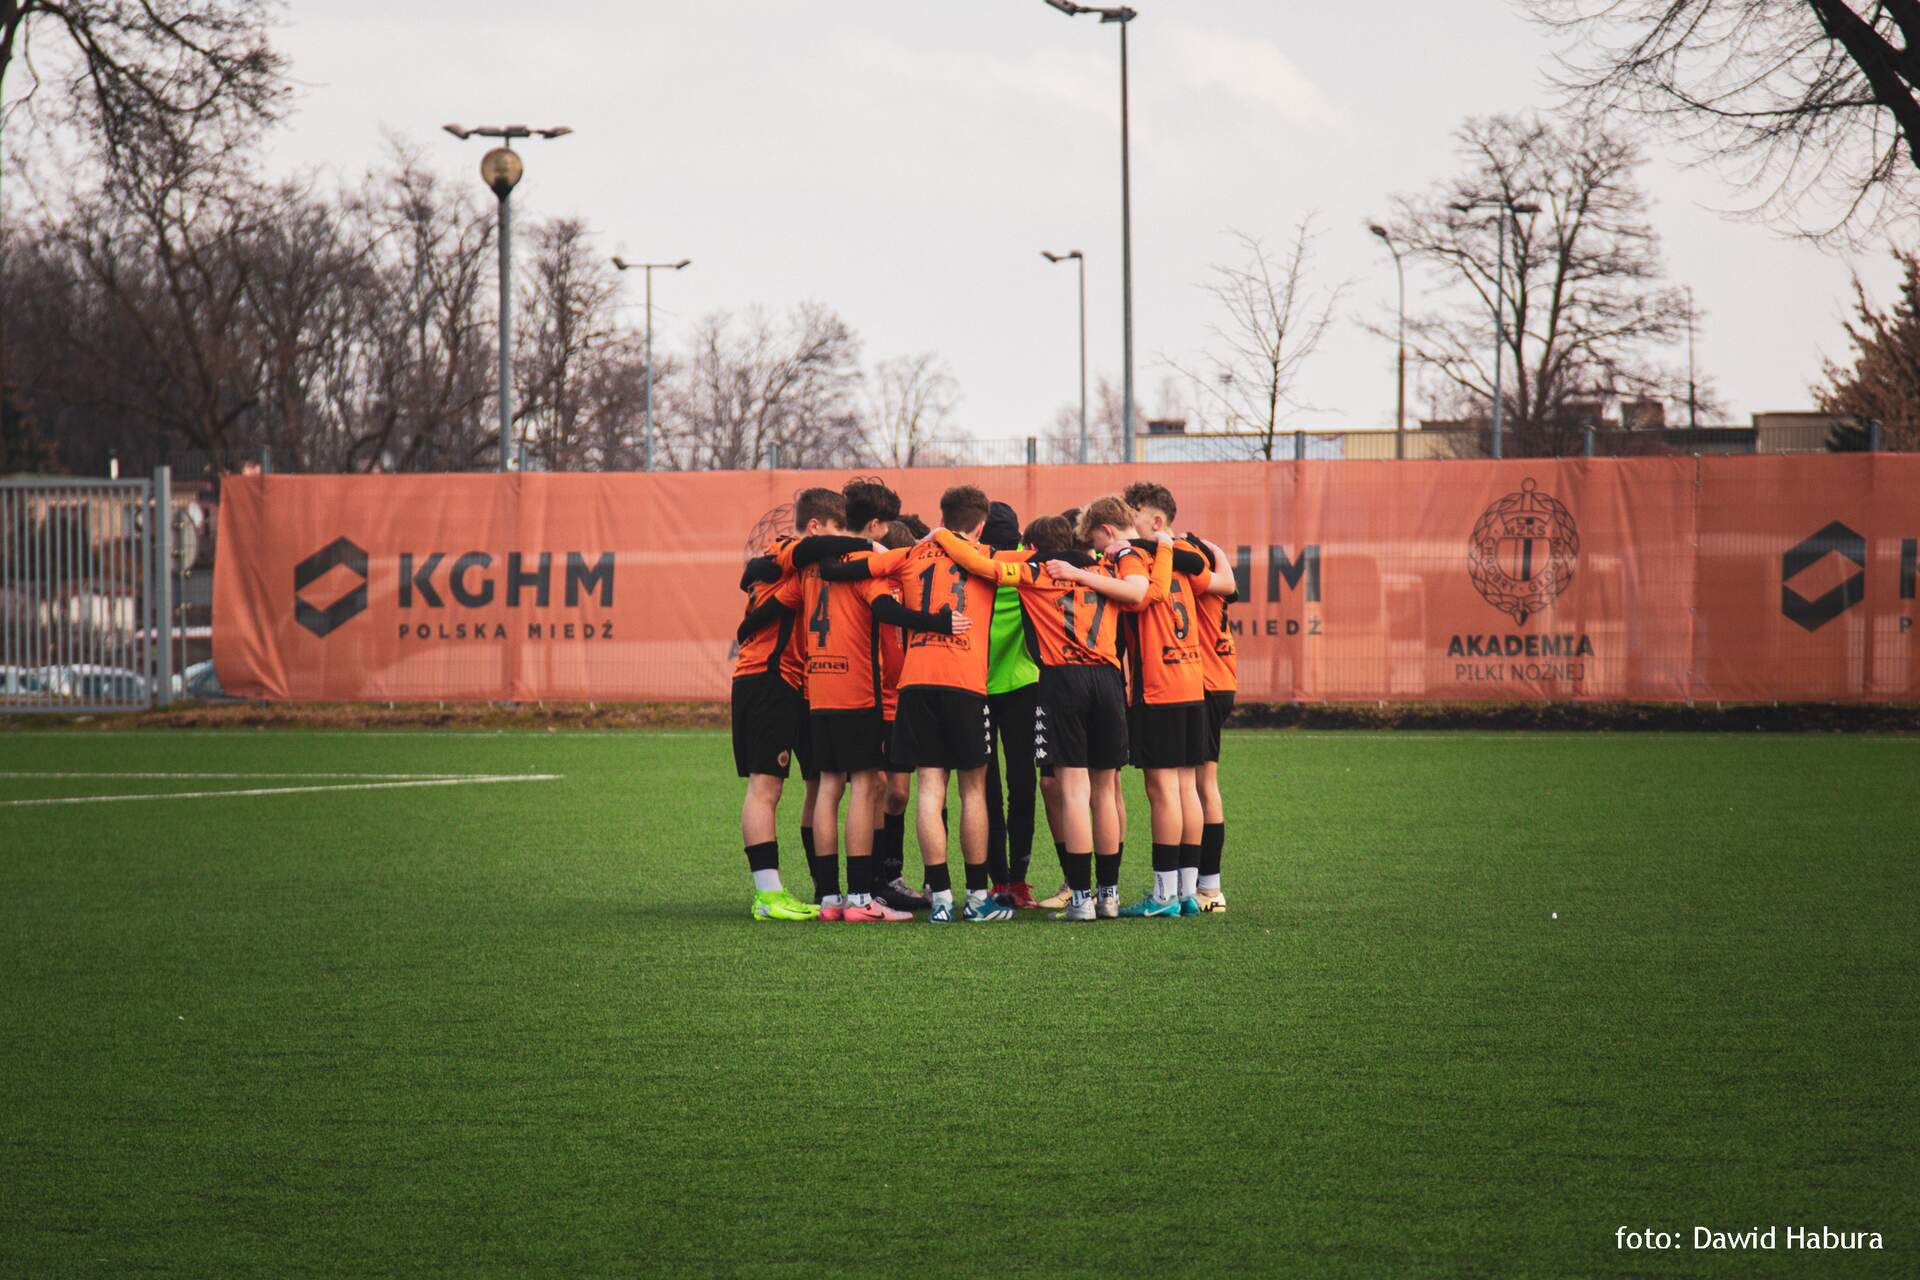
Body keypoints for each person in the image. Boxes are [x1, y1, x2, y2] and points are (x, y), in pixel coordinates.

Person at [933, 499, 1169, 919]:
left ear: (1031, 547)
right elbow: (1147, 592)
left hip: (1062, 681)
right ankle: (1109, 895)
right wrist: (1163, 546)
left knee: (1074, 790)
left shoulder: (1036, 570)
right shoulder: (1107, 568)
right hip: (1109, 680)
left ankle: (1080, 898)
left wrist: (943, 536)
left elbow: (982, 566)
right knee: (1105, 790)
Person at [818, 485, 1011, 923]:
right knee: (973, 790)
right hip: (964, 684)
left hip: (915, 683)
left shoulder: (907, 556)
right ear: (980, 525)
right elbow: (1042, 562)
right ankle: (976, 898)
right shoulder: (987, 557)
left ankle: (940, 899)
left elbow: (839, 568)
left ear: (942, 518)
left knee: (929, 788)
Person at [772, 509, 968, 922]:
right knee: (866, 787)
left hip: (819, 691)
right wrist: (937, 622)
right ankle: (862, 897)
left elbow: (770, 593)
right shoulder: (867, 567)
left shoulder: (812, 567)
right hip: (858, 692)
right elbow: (886, 612)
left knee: (831, 788)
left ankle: (831, 897)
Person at [1119, 482, 1235, 917]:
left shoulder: (1153, 558)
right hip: (1197, 681)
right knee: (1191, 786)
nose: (1127, 522)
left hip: (1179, 683)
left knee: (1178, 788)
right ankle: (1193, 888)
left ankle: (1182, 891)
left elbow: (1143, 595)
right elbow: (1226, 582)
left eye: (1133, 513)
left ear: (1155, 521)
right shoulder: (1186, 557)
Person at [728, 488, 845, 922]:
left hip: (795, 683)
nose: (840, 539)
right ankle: (767, 894)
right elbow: (811, 552)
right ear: (815, 527)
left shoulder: (790, 564)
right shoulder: (787, 551)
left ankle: (823, 889)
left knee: (817, 781)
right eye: (836, 529)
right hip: (766, 680)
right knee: (766, 786)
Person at [978, 501, 1042, 909]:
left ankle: (999, 882)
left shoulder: (972, 559)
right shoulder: (1031, 561)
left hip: (977, 686)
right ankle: (1017, 881)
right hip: (1023, 683)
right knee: (1022, 785)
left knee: (984, 789)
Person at [1188, 532, 1238, 912]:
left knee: (1201, 785)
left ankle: (1209, 887)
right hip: (1220, 681)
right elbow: (1230, 583)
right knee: (1201, 784)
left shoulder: (1198, 578)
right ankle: (1203, 883)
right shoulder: (1216, 576)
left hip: (1206, 684)